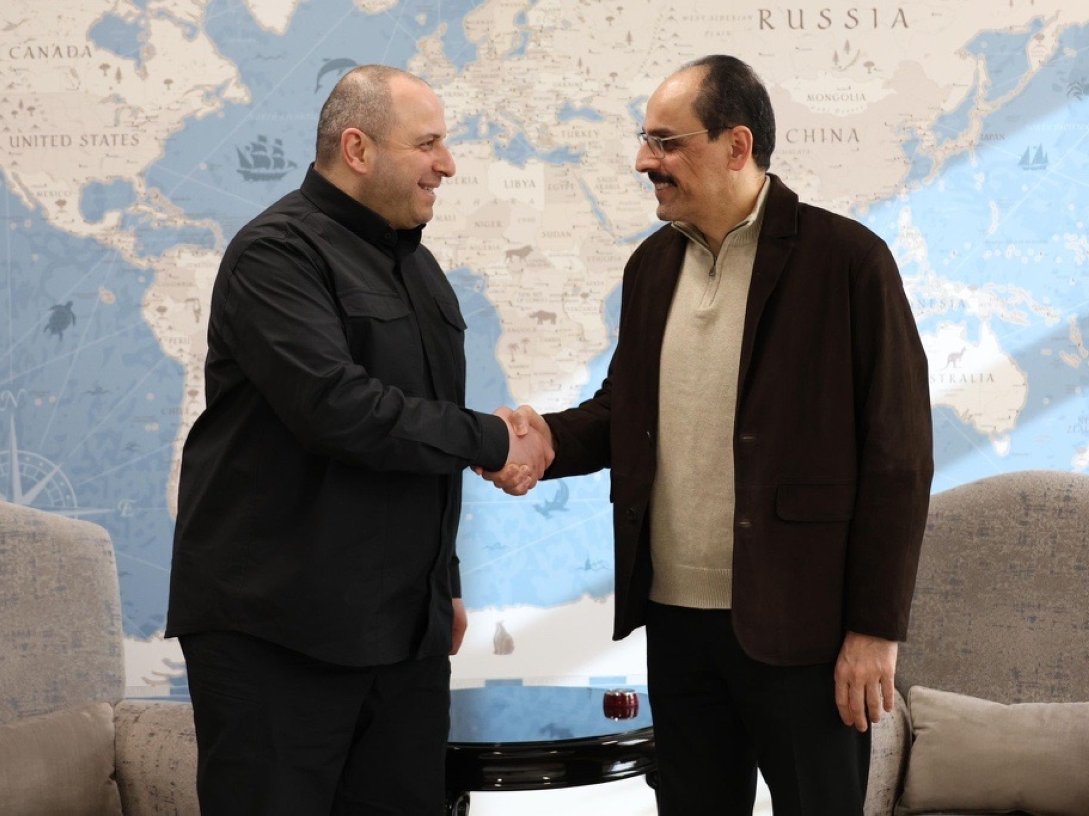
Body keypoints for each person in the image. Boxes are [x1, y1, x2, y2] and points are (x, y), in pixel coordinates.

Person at [485, 55, 933, 815]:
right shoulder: (650, 266)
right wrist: (543, 441)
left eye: (665, 142)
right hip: (676, 626)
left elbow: (898, 458)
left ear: (736, 145)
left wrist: (872, 631)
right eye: (644, 140)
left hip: (805, 633)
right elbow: (624, 410)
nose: (642, 161)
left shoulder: (848, 262)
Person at [166, 65, 551, 816]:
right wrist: (493, 439)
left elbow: (420, 431)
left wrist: (444, 583)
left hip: (401, 634)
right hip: (278, 633)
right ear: (357, 147)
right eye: (429, 144)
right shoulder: (275, 255)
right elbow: (338, 409)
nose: (448, 164)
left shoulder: (421, 266)